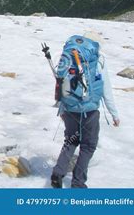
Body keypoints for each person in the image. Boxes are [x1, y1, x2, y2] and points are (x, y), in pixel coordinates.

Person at [51, 31, 120, 189]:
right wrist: (114, 114)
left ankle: (58, 172)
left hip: (69, 108)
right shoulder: (98, 60)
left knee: (70, 141)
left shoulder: (70, 56)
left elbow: (64, 83)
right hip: (90, 111)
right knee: (88, 146)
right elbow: (105, 89)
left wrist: (61, 107)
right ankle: (78, 183)